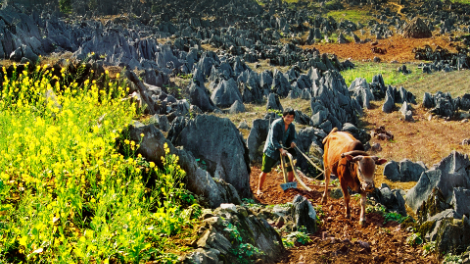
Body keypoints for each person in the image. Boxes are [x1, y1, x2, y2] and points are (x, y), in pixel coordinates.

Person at [257, 108, 297, 195]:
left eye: (292, 117)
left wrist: (293, 142)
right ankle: (259, 189)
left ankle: (289, 186)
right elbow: (273, 139)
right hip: (271, 150)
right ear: (283, 116)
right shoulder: (276, 124)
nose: (289, 119)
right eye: (288, 117)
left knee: (290, 166)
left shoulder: (292, 126)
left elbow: (292, 137)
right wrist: (280, 149)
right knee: (265, 170)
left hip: (284, 150)